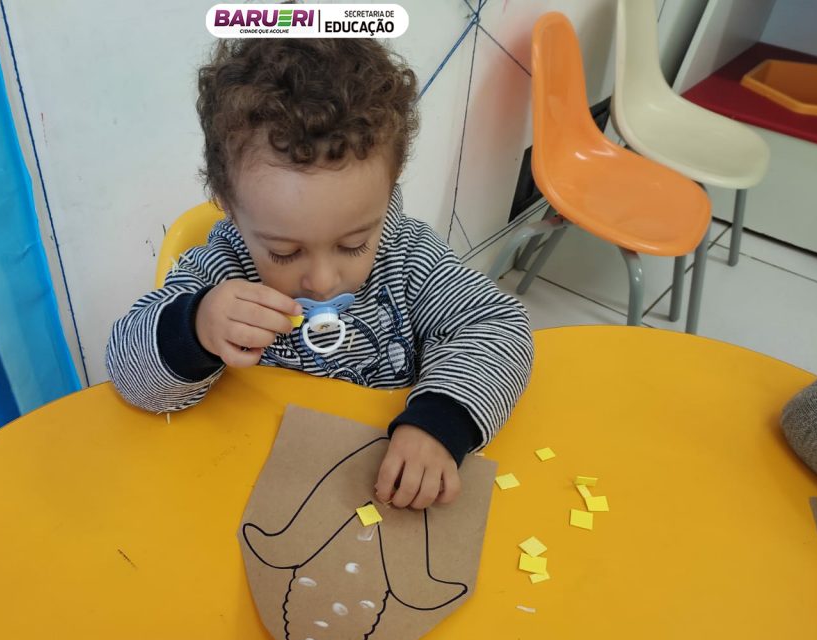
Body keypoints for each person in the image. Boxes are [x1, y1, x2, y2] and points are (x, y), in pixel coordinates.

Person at [106, 38, 534, 510]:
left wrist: (440, 422)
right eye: (285, 251)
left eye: (353, 244)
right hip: (243, 484)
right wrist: (195, 327)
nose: (324, 280)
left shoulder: (407, 254)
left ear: (387, 191)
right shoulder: (221, 268)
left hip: (380, 488)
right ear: (229, 207)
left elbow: (499, 326)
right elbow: (129, 373)